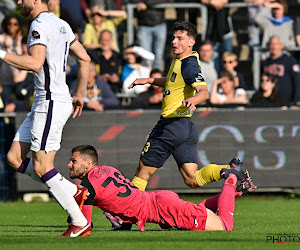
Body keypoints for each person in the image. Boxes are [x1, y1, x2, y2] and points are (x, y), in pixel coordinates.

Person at [1, 0, 91, 237]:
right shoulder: (60, 23)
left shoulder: (38, 23)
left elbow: (34, 63)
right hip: (48, 101)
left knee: (42, 167)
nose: (19, 1)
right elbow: (85, 58)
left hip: (49, 102)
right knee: (13, 157)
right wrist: (79, 93)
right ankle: (72, 190)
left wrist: (1, 53)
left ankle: (79, 221)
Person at [67, 145, 255, 235]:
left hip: (162, 208)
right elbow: (124, 201)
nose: (69, 165)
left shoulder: (88, 187)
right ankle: (234, 193)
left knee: (225, 226)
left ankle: (232, 177)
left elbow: (84, 226)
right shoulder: (108, 170)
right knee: (201, 210)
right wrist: (123, 225)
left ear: (88, 162)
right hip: (160, 202)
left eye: (73, 161)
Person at [261, 36, 300, 106]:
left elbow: (297, 81)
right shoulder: (265, 63)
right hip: (270, 102)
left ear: (281, 46)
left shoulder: (290, 61)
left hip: (287, 102)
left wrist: (296, 101)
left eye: (276, 44)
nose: (274, 47)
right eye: (271, 44)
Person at [131, 0, 169, 70]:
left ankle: (156, 75)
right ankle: (146, 76)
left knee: (158, 53)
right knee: (145, 54)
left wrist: (146, 4)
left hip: (159, 24)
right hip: (143, 25)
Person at [87, 29, 123, 94]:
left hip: (114, 89)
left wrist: (117, 78)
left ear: (112, 41)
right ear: (99, 40)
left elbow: (123, 73)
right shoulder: (92, 55)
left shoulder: (118, 57)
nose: (104, 43)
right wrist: (98, 78)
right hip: (97, 89)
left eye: (107, 40)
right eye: (102, 40)